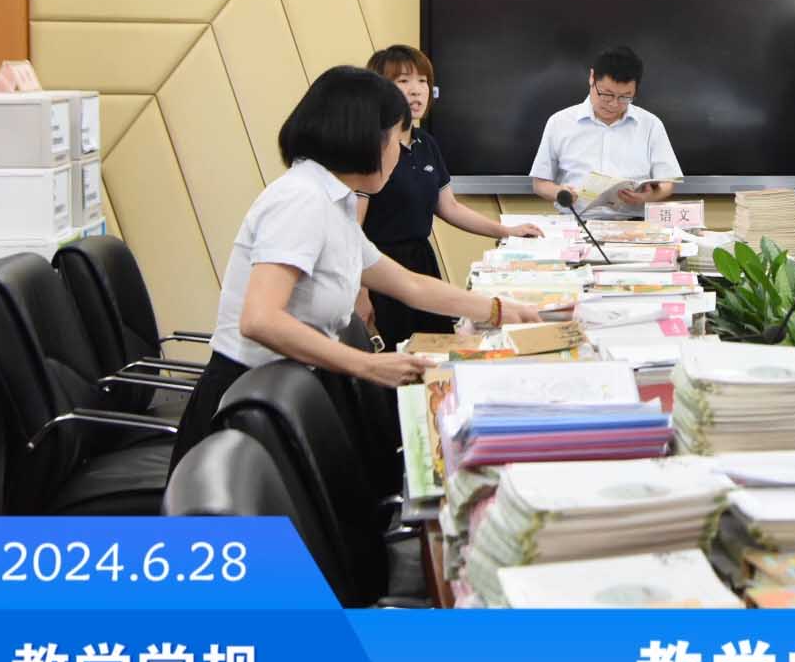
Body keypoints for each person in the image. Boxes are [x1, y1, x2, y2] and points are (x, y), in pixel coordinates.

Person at [176, 66, 542, 459]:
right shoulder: (301, 200)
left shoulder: (334, 202)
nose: (401, 152)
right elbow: (260, 319)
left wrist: (500, 310)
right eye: (396, 139)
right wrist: (368, 366)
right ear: (366, 139)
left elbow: (409, 285)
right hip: (247, 414)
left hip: (288, 394)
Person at [356, 45, 544, 347]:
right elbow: (350, 232)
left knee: (436, 351)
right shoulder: (368, 148)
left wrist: (506, 231)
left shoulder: (425, 142)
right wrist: (360, 291)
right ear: (380, 89)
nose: (416, 91)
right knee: (394, 358)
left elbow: (449, 207)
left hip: (421, 262)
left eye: (423, 81)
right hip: (378, 269)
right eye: (403, 81)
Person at [529, 46, 682, 219]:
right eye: (606, 94)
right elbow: (540, 183)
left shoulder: (651, 125)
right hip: (576, 223)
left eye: (625, 97)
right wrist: (560, 193)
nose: (614, 104)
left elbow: (667, 182)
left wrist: (647, 196)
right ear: (592, 78)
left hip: (634, 224)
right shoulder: (560, 122)